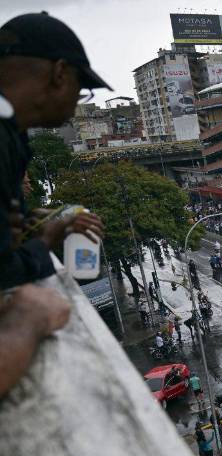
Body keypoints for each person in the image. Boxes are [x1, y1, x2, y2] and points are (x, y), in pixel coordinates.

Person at [1, 13, 108, 290]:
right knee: (46, 312)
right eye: (81, 88)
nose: (77, 102)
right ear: (59, 73)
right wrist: (46, 240)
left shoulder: (14, 134)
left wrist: (28, 221)